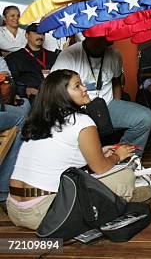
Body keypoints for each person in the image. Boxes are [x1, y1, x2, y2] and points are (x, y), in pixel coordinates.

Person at [7, 70, 139, 230]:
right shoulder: (82, 121)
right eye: (77, 86)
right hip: (44, 213)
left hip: (14, 208)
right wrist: (118, 155)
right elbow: (101, 167)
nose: (84, 89)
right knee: (125, 176)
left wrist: (100, 151)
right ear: (61, 94)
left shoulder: (40, 121)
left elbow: (56, 155)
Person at [51, 37, 151, 156]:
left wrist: (117, 103)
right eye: (100, 39)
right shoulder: (68, 55)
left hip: (107, 104)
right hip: (79, 109)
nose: (107, 42)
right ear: (88, 35)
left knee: (146, 117)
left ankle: (125, 158)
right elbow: (55, 89)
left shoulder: (115, 55)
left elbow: (116, 81)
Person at [5, 23, 58, 103]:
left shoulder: (54, 56)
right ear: (26, 35)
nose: (40, 36)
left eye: (42, 33)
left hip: (54, 95)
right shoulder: (14, 58)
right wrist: (24, 90)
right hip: (31, 99)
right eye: (36, 33)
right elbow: (11, 82)